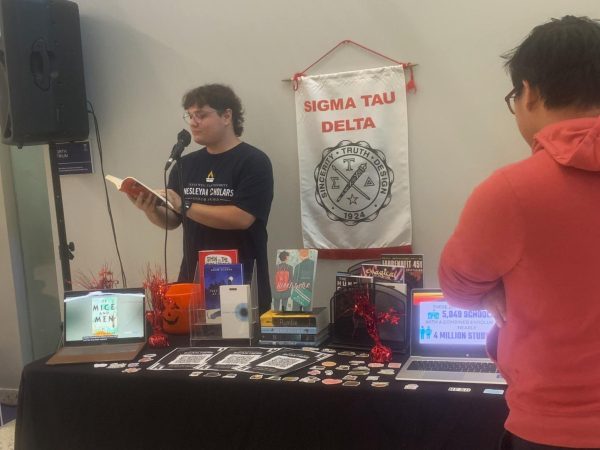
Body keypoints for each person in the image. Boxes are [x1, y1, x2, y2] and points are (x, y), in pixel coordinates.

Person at [438, 16, 600, 450]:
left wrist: (490, 290)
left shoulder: (510, 192)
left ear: (528, 91)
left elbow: (456, 287)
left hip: (552, 427)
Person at [130, 84, 274, 313]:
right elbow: (173, 220)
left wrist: (184, 204)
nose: (193, 122)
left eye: (201, 115)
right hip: (193, 281)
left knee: (242, 349)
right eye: (190, 115)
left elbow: (242, 218)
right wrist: (151, 209)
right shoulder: (184, 165)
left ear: (227, 116)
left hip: (241, 281)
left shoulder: (254, 161)